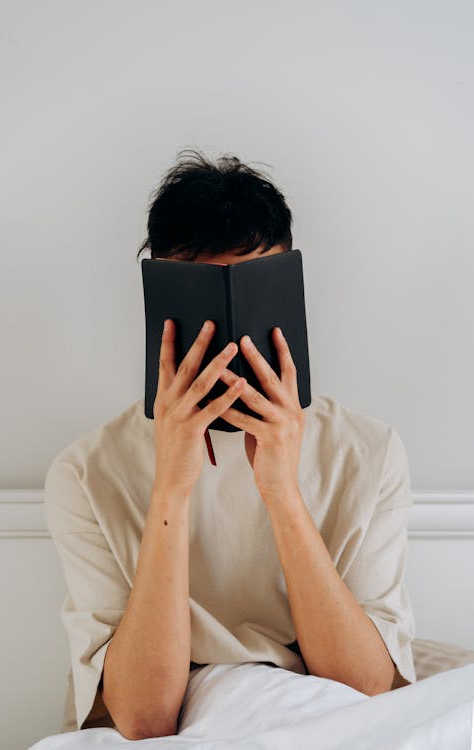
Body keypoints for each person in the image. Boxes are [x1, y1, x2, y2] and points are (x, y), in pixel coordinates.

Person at [44, 148, 417, 742]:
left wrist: (282, 493)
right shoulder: (86, 473)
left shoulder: (369, 453)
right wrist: (171, 487)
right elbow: (142, 719)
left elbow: (368, 689)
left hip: (317, 717)